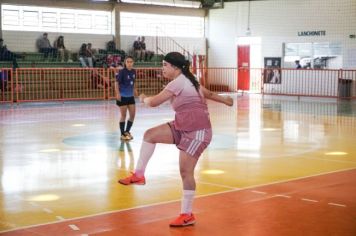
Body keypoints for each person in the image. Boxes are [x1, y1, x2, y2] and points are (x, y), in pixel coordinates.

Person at [118, 52, 233, 227]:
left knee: (186, 172)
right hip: (182, 126)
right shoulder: (189, 79)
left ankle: (187, 214)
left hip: (197, 132)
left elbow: (154, 102)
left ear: (175, 67)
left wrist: (143, 98)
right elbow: (207, 93)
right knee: (150, 135)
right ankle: (138, 175)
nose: (162, 68)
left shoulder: (178, 82)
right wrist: (225, 100)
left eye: (165, 65)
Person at [115, 56, 137, 141]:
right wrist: (117, 93)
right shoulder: (122, 72)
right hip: (123, 96)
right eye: (128, 62)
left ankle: (127, 132)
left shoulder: (134, 71)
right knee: (123, 115)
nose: (129, 63)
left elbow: (134, 81)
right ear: (125, 63)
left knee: (132, 115)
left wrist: (135, 89)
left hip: (130, 97)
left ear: (133, 63)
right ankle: (122, 134)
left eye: (131, 62)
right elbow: (116, 83)